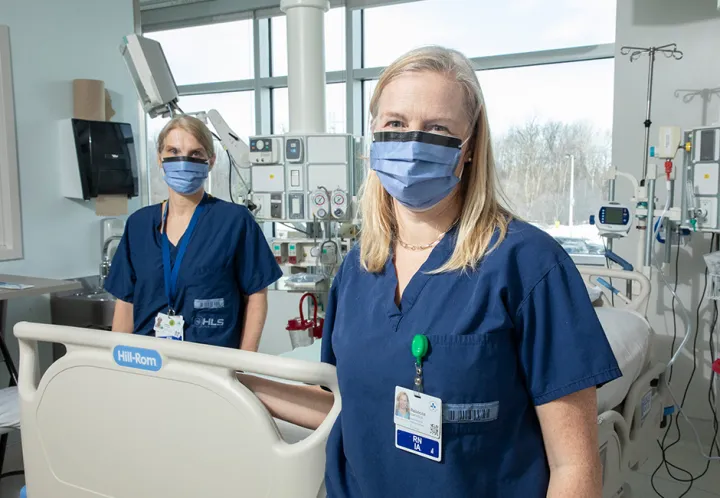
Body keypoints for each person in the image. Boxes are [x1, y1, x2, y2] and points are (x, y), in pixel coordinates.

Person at [238, 46, 620, 497]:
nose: (412, 143)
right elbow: (349, 404)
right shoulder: (359, 268)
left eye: (437, 128)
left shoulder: (529, 265)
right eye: (396, 124)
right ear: (374, 137)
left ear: (469, 147)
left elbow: (573, 465)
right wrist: (231, 381)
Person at [105, 115, 282, 351]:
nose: (183, 160)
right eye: (173, 150)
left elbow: (257, 296)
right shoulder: (139, 224)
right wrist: (119, 361)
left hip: (212, 362)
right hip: (148, 361)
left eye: (195, 153)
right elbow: (126, 301)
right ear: (160, 158)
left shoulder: (234, 221)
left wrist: (243, 365)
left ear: (211, 161)